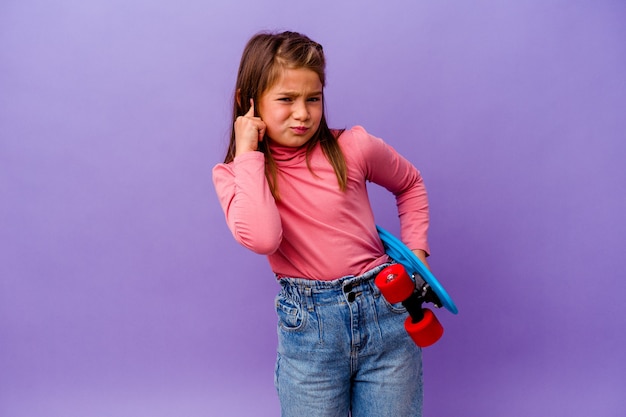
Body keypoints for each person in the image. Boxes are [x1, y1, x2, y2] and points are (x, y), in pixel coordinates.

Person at [213, 31, 431, 417]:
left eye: (313, 98)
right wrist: (247, 152)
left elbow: (410, 183)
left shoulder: (353, 147)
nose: (302, 113)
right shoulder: (236, 176)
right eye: (286, 99)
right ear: (248, 100)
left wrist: (417, 255)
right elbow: (264, 238)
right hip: (311, 334)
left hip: (386, 314)